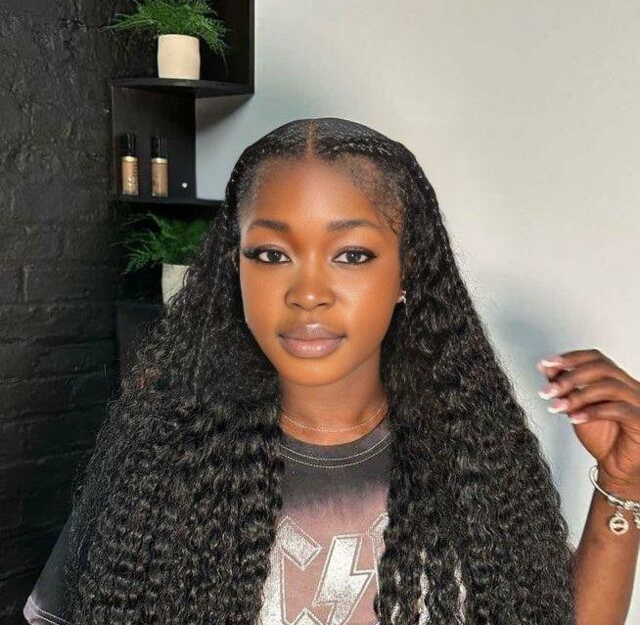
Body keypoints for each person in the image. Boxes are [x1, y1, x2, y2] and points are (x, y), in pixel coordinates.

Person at [23, 117, 640, 624]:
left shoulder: (473, 458)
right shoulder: (160, 460)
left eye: (352, 254)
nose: (308, 293)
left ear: (407, 271)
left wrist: (623, 480)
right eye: (271, 254)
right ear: (235, 268)